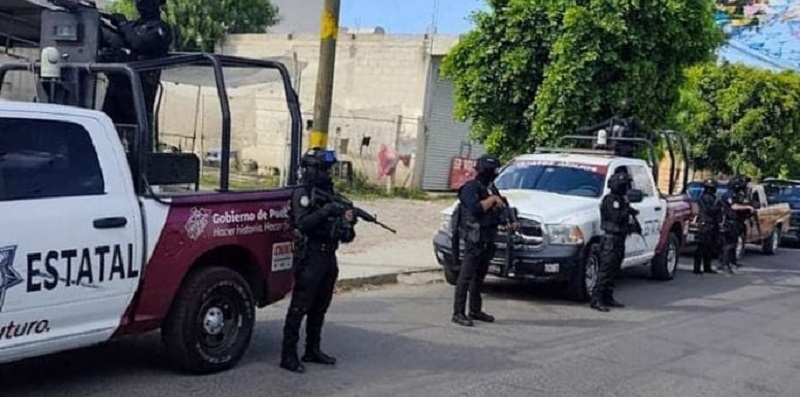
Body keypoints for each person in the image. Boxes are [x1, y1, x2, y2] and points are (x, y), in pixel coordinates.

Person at [280, 147, 356, 374]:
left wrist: (347, 222)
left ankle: (312, 349)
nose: (329, 173)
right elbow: (302, 223)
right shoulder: (302, 193)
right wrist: (328, 211)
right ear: (313, 170)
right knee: (299, 306)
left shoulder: (331, 194)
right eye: (325, 169)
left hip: (328, 256)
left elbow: (347, 235)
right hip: (310, 256)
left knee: (320, 306)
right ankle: (288, 355)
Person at [452, 154, 511, 327]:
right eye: (493, 171)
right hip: (474, 239)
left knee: (479, 278)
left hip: (488, 238)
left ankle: (475, 310)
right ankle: (458, 312)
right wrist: (492, 200)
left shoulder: (491, 188)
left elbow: (498, 212)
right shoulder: (470, 188)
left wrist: (508, 220)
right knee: (465, 277)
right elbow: (476, 210)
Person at [101, 0, 173, 129]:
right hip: (117, 87)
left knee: (135, 133)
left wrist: (122, 24)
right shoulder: (132, 27)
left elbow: (138, 44)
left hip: (139, 90)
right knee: (108, 127)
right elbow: (114, 40)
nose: (141, 4)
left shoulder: (160, 28)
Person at [593, 171, 639, 312]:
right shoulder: (611, 200)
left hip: (619, 239)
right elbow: (616, 217)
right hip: (610, 240)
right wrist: (627, 209)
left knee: (614, 270)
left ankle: (608, 297)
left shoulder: (620, 200)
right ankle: (597, 299)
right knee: (605, 270)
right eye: (625, 185)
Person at [694, 180, 721, 275]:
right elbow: (709, 210)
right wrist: (718, 207)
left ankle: (707, 266)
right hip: (705, 224)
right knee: (702, 246)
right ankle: (697, 268)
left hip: (713, 224)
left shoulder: (714, 198)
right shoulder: (704, 198)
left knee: (710, 247)